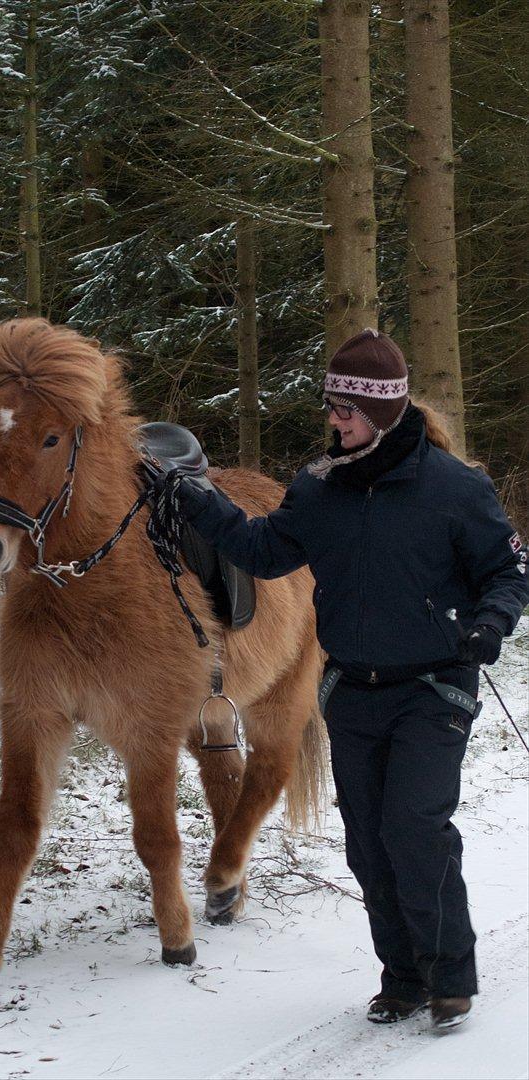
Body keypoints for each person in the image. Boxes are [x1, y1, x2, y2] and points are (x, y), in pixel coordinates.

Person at [169, 329, 528, 1030]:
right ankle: (402, 979)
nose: (334, 418)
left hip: (434, 688)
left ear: (385, 412)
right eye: (330, 404)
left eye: (347, 408)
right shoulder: (319, 489)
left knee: (414, 827)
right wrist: (193, 494)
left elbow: (507, 571)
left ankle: (449, 978)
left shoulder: (455, 488)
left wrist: (489, 623)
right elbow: (259, 550)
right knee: (366, 841)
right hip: (353, 691)